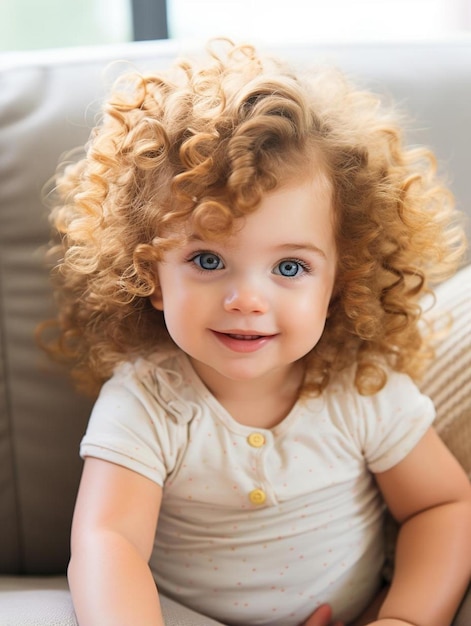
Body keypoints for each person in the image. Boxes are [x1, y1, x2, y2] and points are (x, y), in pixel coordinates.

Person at [42, 39, 471, 626]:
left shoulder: (359, 390)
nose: (246, 300)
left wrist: (405, 618)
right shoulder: (149, 404)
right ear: (153, 276)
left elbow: (444, 505)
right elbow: (107, 543)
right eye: (209, 261)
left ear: (339, 280)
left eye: (289, 268)